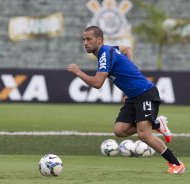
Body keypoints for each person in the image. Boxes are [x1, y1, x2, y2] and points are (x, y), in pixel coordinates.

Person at [68, 25, 185, 174]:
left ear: (99, 40)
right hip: (133, 96)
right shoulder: (109, 50)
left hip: (145, 93)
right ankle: (156, 123)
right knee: (120, 130)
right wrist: (130, 67)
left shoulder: (104, 54)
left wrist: (78, 72)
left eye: (89, 39)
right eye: (84, 39)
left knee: (143, 134)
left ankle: (176, 164)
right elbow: (127, 49)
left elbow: (97, 83)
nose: (85, 42)